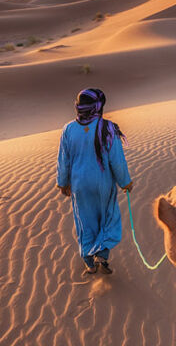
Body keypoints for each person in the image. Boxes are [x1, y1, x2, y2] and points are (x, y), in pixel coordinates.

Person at [57, 88, 133, 276]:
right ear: (99, 106)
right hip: (103, 184)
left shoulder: (68, 129)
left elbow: (63, 160)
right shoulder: (108, 128)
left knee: (85, 221)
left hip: (79, 185)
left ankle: (89, 263)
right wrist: (125, 182)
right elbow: (117, 160)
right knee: (108, 218)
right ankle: (102, 254)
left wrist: (62, 182)